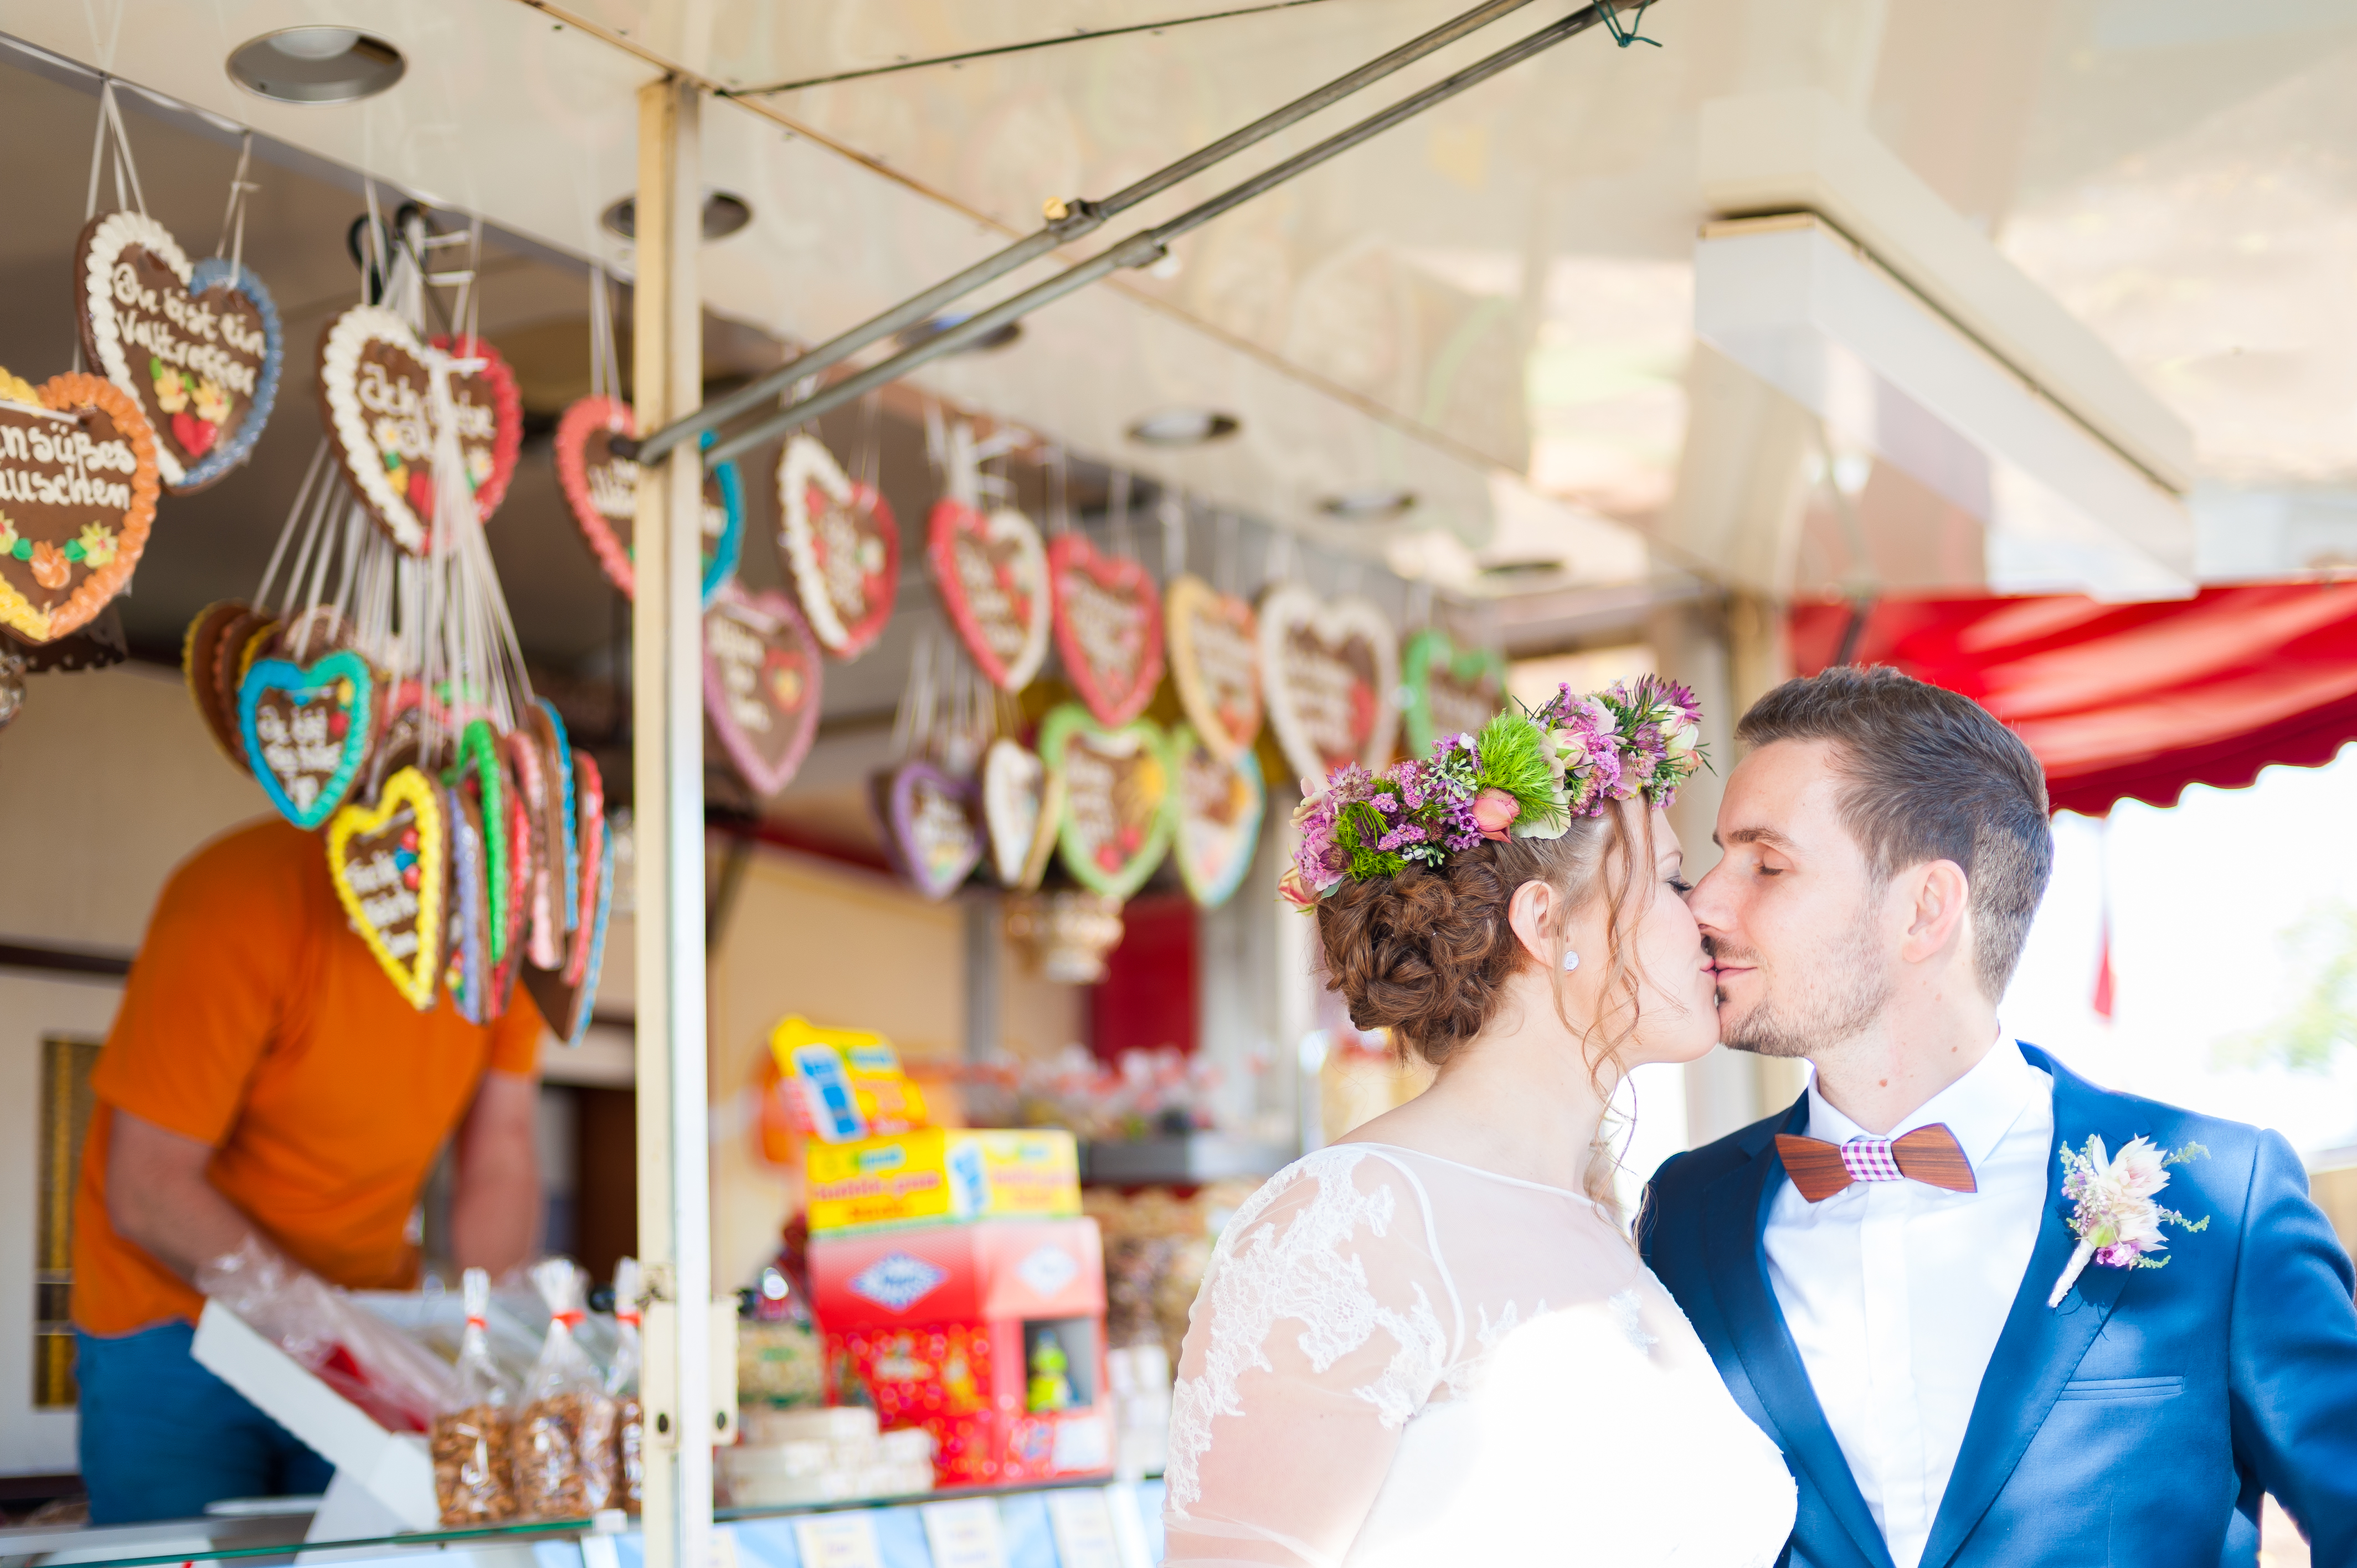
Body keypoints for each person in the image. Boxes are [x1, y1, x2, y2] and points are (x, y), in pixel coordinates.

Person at [1642, 666, 2357, 1568]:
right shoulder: (1686, 1213)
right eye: (1717, 856)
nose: (1704, 901)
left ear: (1926, 908)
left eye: (1765, 863)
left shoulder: (2221, 1195)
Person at [1164, 681, 1797, 1568]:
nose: (1703, 915)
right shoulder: (1347, 1225)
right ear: (1544, 922)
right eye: (1667, 877)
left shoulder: (1602, 1223)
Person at [72, 817, 545, 1523]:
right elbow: (146, 1190)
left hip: (370, 1321)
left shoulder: (503, 933)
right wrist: (320, 1326)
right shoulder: (241, 895)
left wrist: (505, 1349)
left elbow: (501, 1153)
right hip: (171, 1318)